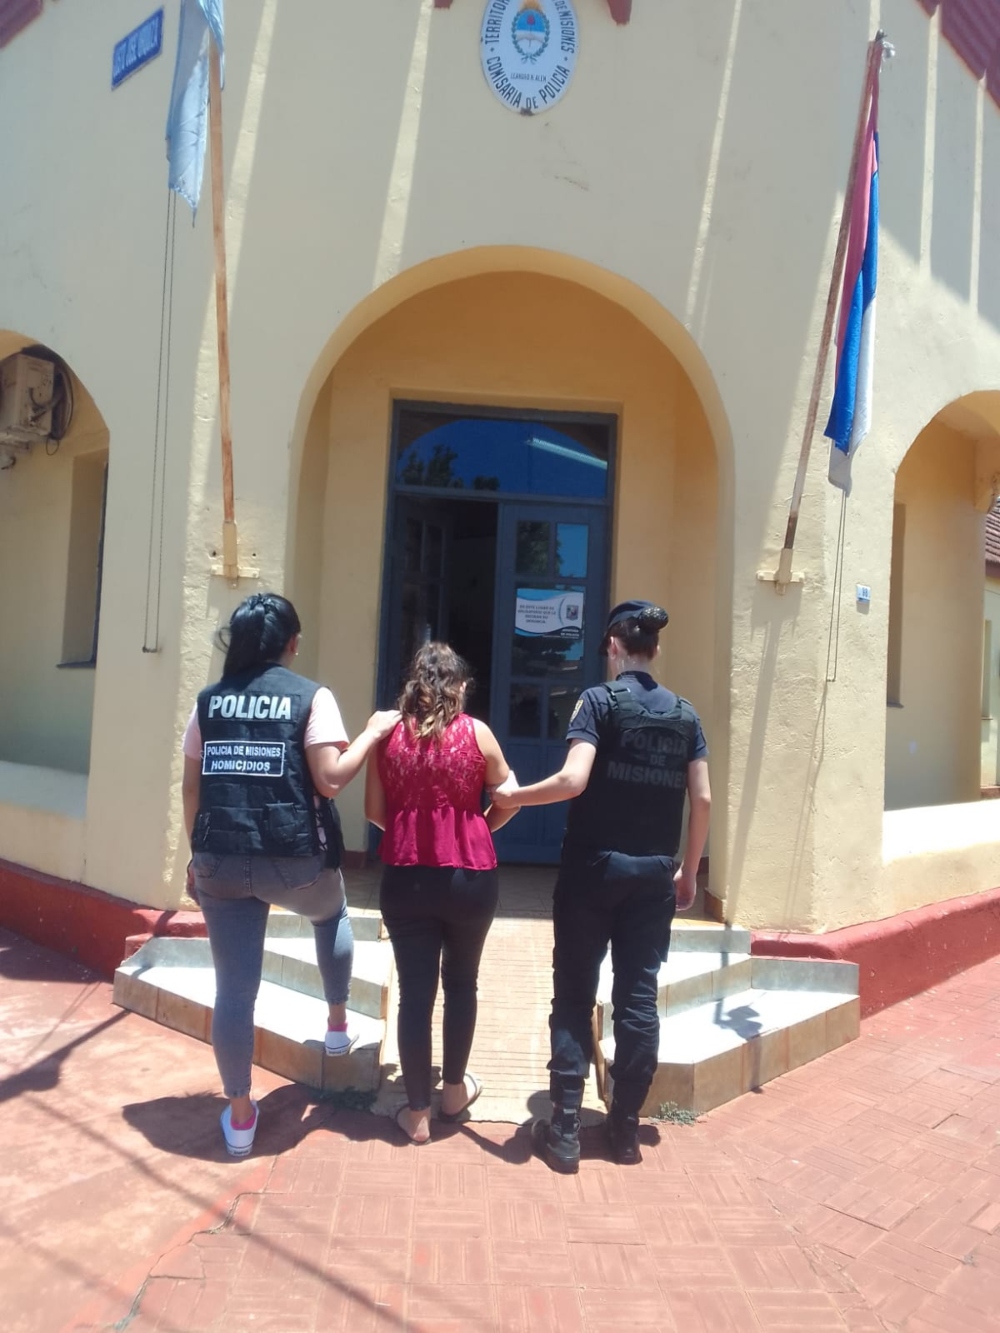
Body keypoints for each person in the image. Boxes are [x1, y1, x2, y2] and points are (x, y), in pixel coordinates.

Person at [492, 600, 711, 1172]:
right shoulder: (686, 716)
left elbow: (573, 779)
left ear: (613, 647)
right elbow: (704, 799)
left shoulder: (597, 702)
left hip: (592, 873)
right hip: (653, 876)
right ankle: (625, 1127)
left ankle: (564, 1129)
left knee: (573, 993)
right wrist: (689, 870)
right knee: (638, 998)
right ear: (655, 650)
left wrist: (514, 798)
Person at [181, 592, 400, 1157]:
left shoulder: (208, 702)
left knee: (234, 990)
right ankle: (336, 1027)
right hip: (293, 859)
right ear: (292, 643)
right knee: (332, 913)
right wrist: (372, 733)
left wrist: (197, 856)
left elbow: (192, 789)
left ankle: (239, 1115)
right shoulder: (311, 697)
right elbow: (330, 779)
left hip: (219, 861)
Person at [365, 642, 519, 1144]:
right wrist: (474, 827)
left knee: (415, 993)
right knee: (462, 981)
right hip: (470, 878)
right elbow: (510, 798)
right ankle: (453, 1094)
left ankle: (416, 1115)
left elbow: (373, 812)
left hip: (406, 877)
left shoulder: (388, 735)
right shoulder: (478, 733)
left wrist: (413, 828)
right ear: (460, 686)